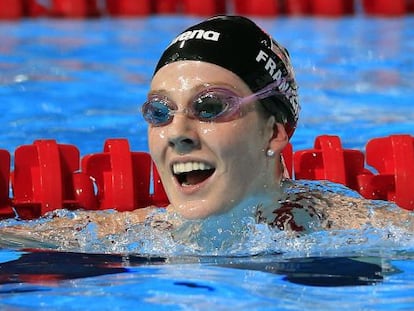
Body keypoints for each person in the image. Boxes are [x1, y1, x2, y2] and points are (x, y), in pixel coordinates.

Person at [0, 15, 412, 252]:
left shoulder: (352, 229)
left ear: (275, 132)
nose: (178, 132)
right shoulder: (132, 235)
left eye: (210, 107)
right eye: (159, 111)